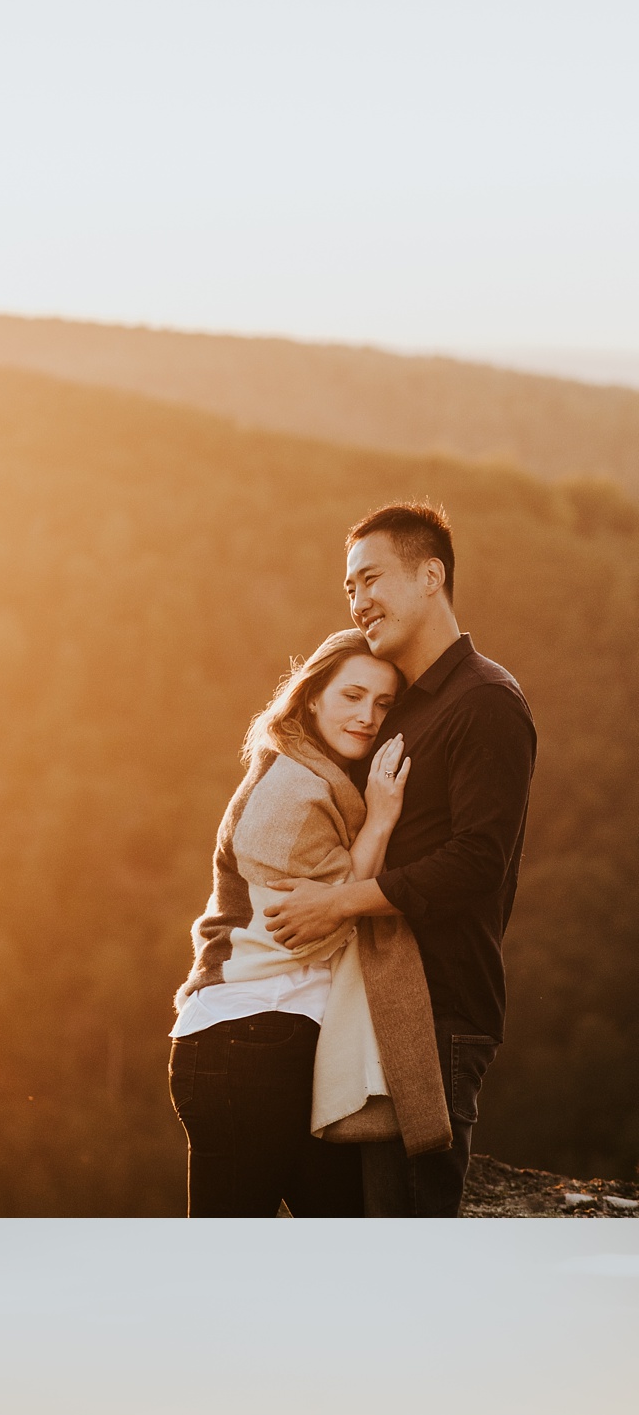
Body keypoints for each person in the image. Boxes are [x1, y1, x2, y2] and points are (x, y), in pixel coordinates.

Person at [264, 501, 536, 1217]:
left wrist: (338, 902)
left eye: (371, 579)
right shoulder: (404, 706)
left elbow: (477, 861)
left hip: (438, 1010)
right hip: (377, 1004)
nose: (358, 601)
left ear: (430, 575)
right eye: (349, 588)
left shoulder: (486, 702)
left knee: (408, 1244)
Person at [168, 627, 452, 1218]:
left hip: (277, 1041)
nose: (368, 717)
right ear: (312, 696)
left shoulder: (317, 777)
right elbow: (313, 927)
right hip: (244, 1037)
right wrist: (379, 823)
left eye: (383, 703)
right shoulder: (292, 797)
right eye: (352, 696)